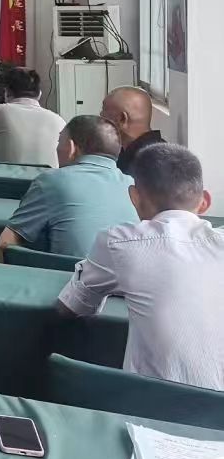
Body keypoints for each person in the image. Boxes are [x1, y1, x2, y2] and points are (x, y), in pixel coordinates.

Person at [57, 143, 224, 391]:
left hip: (154, 406)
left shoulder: (120, 242)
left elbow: (71, 307)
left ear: (134, 197)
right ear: (205, 202)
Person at [0, 115, 138, 261]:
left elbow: (6, 244)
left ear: (71, 148)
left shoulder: (51, 181)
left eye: (59, 142)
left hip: (73, 275)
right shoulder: (135, 186)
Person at [0, 67, 66, 167]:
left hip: (0, 181)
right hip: (44, 182)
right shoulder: (58, 121)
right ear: (39, 94)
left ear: (7, 92)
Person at [100, 86, 165, 175]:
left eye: (103, 113)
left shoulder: (151, 165)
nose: (100, 119)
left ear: (122, 119)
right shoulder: (125, 153)